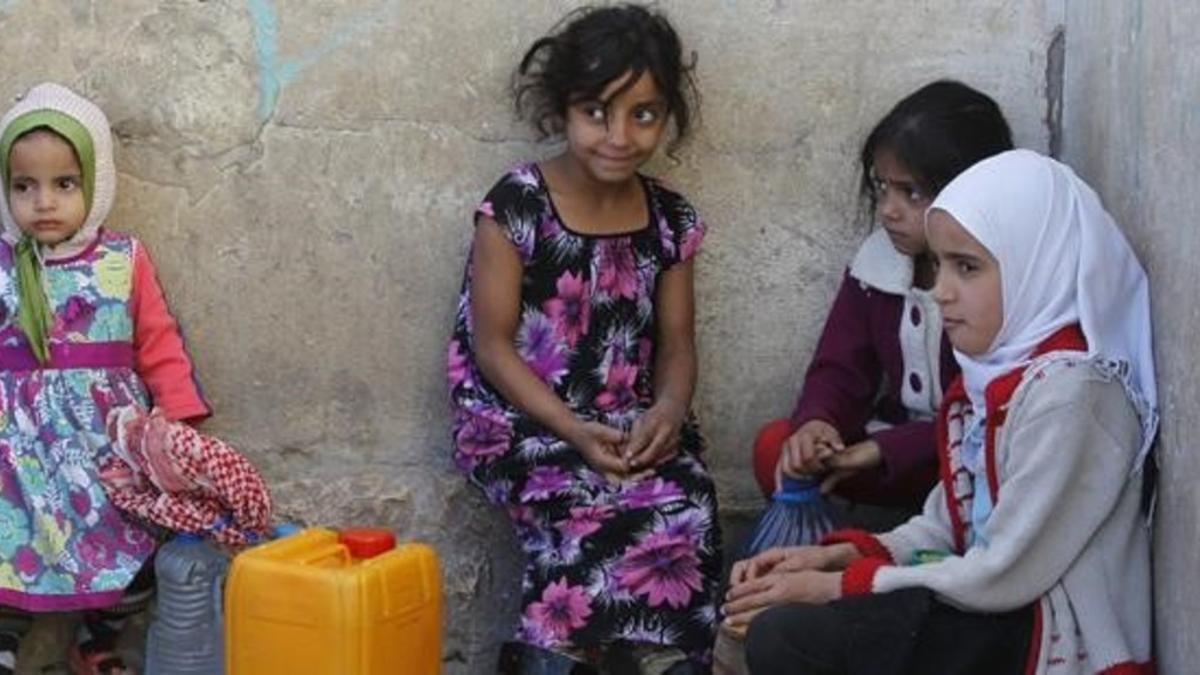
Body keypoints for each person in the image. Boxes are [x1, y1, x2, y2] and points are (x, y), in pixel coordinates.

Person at [727, 149, 1157, 675]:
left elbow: (1001, 570)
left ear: (1038, 264)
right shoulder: (999, 379)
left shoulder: (1072, 395)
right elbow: (948, 525)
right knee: (787, 622)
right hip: (995, 607)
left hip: (1044, 633)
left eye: (968, 268)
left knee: (792, 638)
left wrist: (839, 586)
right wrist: (838, 556)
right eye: (940, 265)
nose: (940, 292)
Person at [446, 5, 719, 672]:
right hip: (518, 418)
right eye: (597, 111)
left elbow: (678, 343)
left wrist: (667, 411)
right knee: (578, 501)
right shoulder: (516, 205)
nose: (619, 135)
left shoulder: (669, 218)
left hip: (626, 416)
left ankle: (664, 659)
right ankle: (552, 655)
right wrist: (571, 427)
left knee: (688, 498)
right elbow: (493, 346)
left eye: (643, 114)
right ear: (562, 109)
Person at [0, 82, 210, 674]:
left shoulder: (123, 259)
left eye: (64, 183)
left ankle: (99, 641)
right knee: (6, 544)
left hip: (105, 446)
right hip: (17, 453)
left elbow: (159, 343)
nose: (44, 202)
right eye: (24, 186)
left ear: (94, 183)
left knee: (132, 545)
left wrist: (176, 423)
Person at [752, 81, 1013, 510]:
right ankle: (833, 557)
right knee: (776, 449)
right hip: (893, 453)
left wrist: (888, 450)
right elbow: (840, 366)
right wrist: (819, 424)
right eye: (882, 187)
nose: (889, 210)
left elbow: (988, 406)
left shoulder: (996, 276)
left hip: (968, 455)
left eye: (911, 193)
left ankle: (914, 557)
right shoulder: (877, 264)